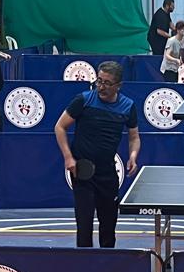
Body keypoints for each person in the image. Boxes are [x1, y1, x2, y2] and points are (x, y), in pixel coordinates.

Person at [54, 61, 140, 249]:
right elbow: (59, 127)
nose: (101, 87)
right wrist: (68, 157)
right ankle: (84, 264)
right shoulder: (83, 100)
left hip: (107, 173)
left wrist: (133, 155)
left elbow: (134, 136)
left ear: (118, 85)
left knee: (108, 226)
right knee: (84, 225)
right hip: (82, 171)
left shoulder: (128, 106)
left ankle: (107, 263)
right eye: (99, 81)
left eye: (107, 83)